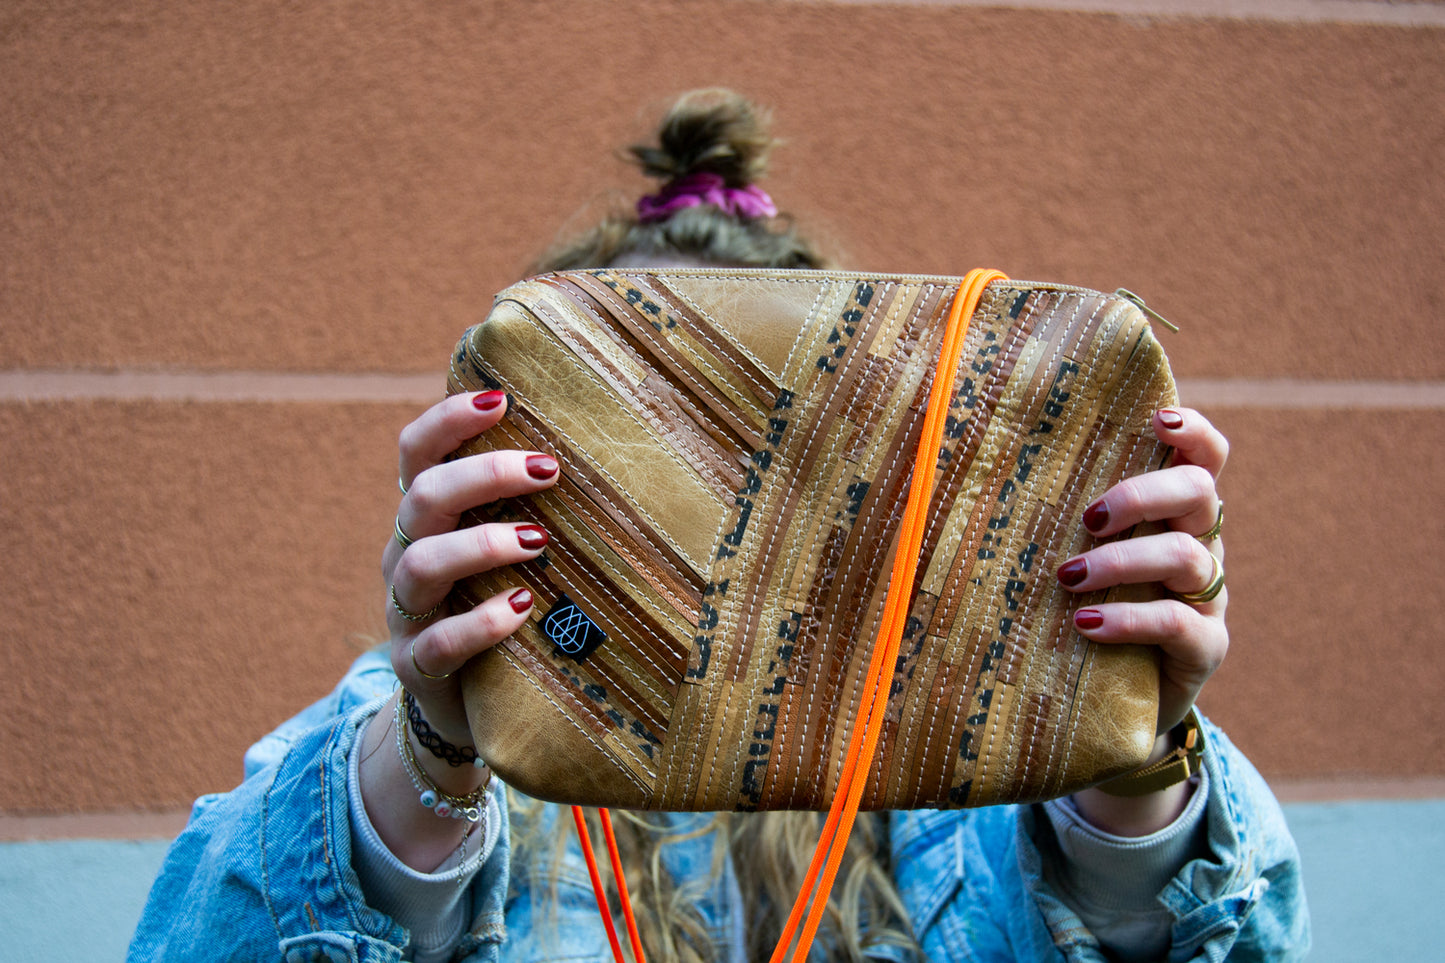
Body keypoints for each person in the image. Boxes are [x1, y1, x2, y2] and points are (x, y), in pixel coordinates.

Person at [129, 89, 1307, 962]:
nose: (710, 518)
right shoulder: (411, 728)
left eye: (772, 450)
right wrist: (432, 750)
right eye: (637, 427)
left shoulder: (994, 738)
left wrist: (1134, 758)